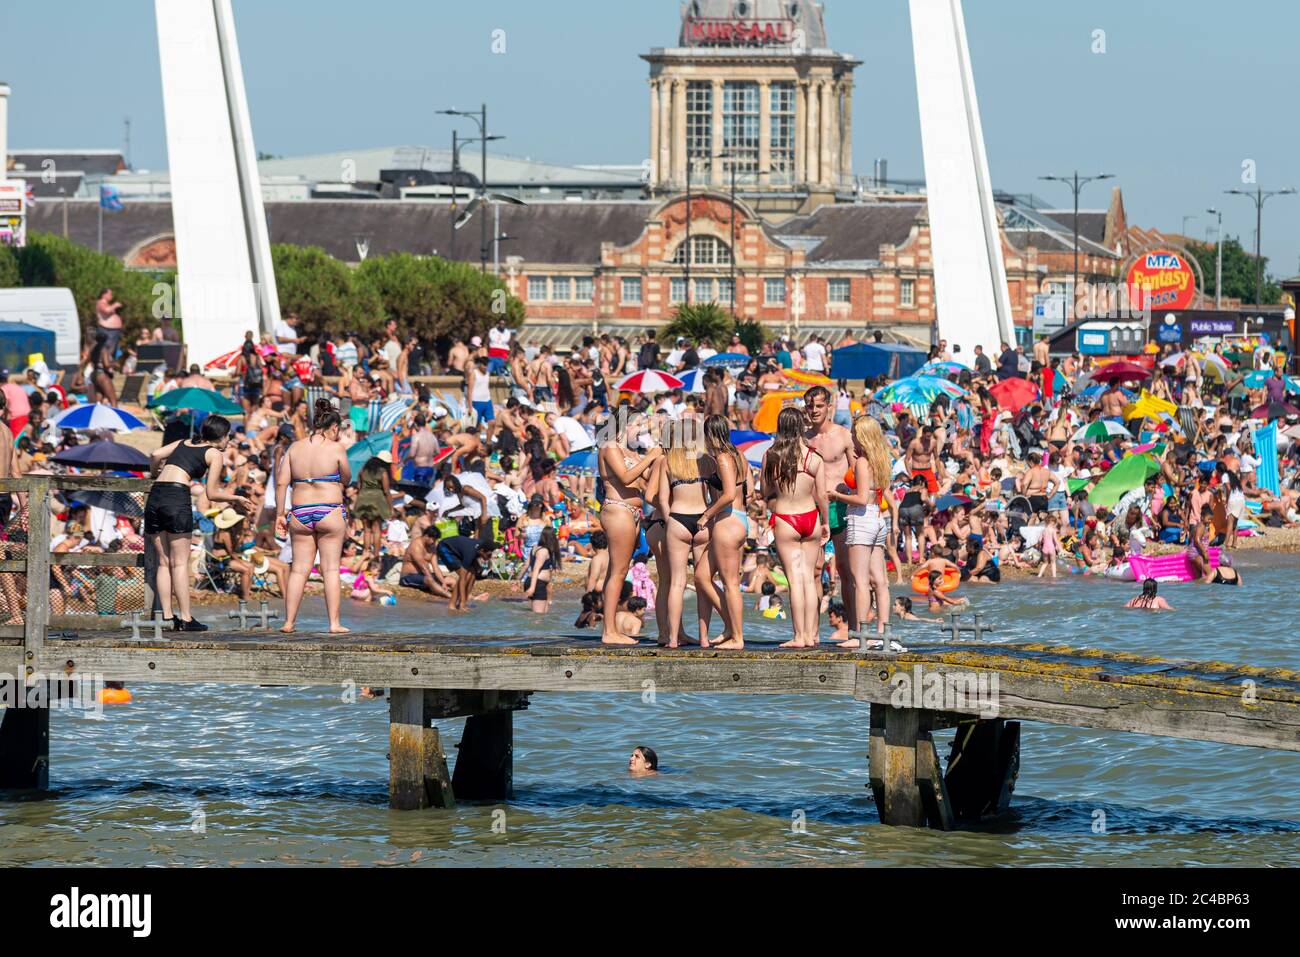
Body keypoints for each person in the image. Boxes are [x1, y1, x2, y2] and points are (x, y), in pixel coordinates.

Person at [146, 415, 253, 631]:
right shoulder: (213, 453)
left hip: (155, 496)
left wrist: (154, 472)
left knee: (164, 563)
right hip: (176, 498)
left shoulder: (184, 441)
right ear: (220, 437)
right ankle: (185, 618)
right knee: (178, 563)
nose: (229, 440)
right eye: (228, 436)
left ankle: (166, 617)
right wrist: (236, 498)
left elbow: (155, 454)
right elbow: (212, 493)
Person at [276, 398, 352, 634]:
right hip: (329, 510)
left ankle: (289, 623)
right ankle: (334, 624)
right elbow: (346, 478)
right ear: (334, 427)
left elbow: (281, 483)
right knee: (329, 569)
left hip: (300, 512)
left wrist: (280, 514)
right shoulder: (336, 448)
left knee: (299, 569)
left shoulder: (294, 448)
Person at [656, 417, 726, 649]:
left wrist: (669, 522)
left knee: (677, 582)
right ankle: (704, 638)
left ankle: (673, 639)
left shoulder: (668, 461)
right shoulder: (706, 460)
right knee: (703, 581)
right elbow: (717, 495)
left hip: (678, 519)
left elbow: (663, 500)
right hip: (702, 521)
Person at [762, 407, 829, 649]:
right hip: (810, 517)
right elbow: (822, 495)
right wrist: (826, 523)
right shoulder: (814, 457)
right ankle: (811, 635)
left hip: (786, 517)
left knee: (795, 580)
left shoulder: (771, 455)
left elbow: (764, 490)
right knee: (809, 580)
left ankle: (799, 636)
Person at [597, 408, 660, 645]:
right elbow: (624, 478)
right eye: (637, 425)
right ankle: (609, 631)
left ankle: (611, 628)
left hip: (633, 512)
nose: (640, 430)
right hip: (618, 509)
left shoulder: (630, 452)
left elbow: (643, 485)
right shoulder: (609, 446)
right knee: (619, 571)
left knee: (620, 569)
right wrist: (651, 457)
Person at [830, 416, 893, 648]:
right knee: (881, 581)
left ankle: (860, 636)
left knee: (860, 581)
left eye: (855, 434)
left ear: (863, 436)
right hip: (878, 518)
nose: (852, 438)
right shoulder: (882, 460)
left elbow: (861, 498)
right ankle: (882, 631)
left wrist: (836, 495)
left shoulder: (863, 462)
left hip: (862, 518)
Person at [804, 386, 856, 625]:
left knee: (846, 570)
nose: (814, 410)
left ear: (829, 407)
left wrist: (849, 487)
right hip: (813, 508)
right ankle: (812, 633)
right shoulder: (804, 438)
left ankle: (855, 628)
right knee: (814, 572)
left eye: (819, 406)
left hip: (840, 507)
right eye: (810, 406)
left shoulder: (844, 435)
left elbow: (858, 469)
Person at [702, 414, 750, 650]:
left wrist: (706, 514)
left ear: (710, 434)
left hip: (727, 521)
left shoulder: (723, 458)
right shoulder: (739, 455)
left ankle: (738, 637)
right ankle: (731, 627)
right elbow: (747, 489)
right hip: (740, 520)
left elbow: (729, 494)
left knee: (730, 583)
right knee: (702, 576)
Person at [353, 451, 393, 556]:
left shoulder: (362, 471)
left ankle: (366, 553)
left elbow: (358, 487)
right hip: (377, 500)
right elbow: (387, 491)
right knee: (376, 530)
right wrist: (390, 507)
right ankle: (375, 555)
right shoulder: (382, 472)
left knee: (366, 529)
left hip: (363, 498)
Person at [521, 526, 560, 614]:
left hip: (533, 582)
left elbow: (526, 565)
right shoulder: (544, 551)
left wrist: (517, 580)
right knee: (537, 617)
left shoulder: (535, 548)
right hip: (537, 584)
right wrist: (532, 588)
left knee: (542, 615)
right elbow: (536, 569)